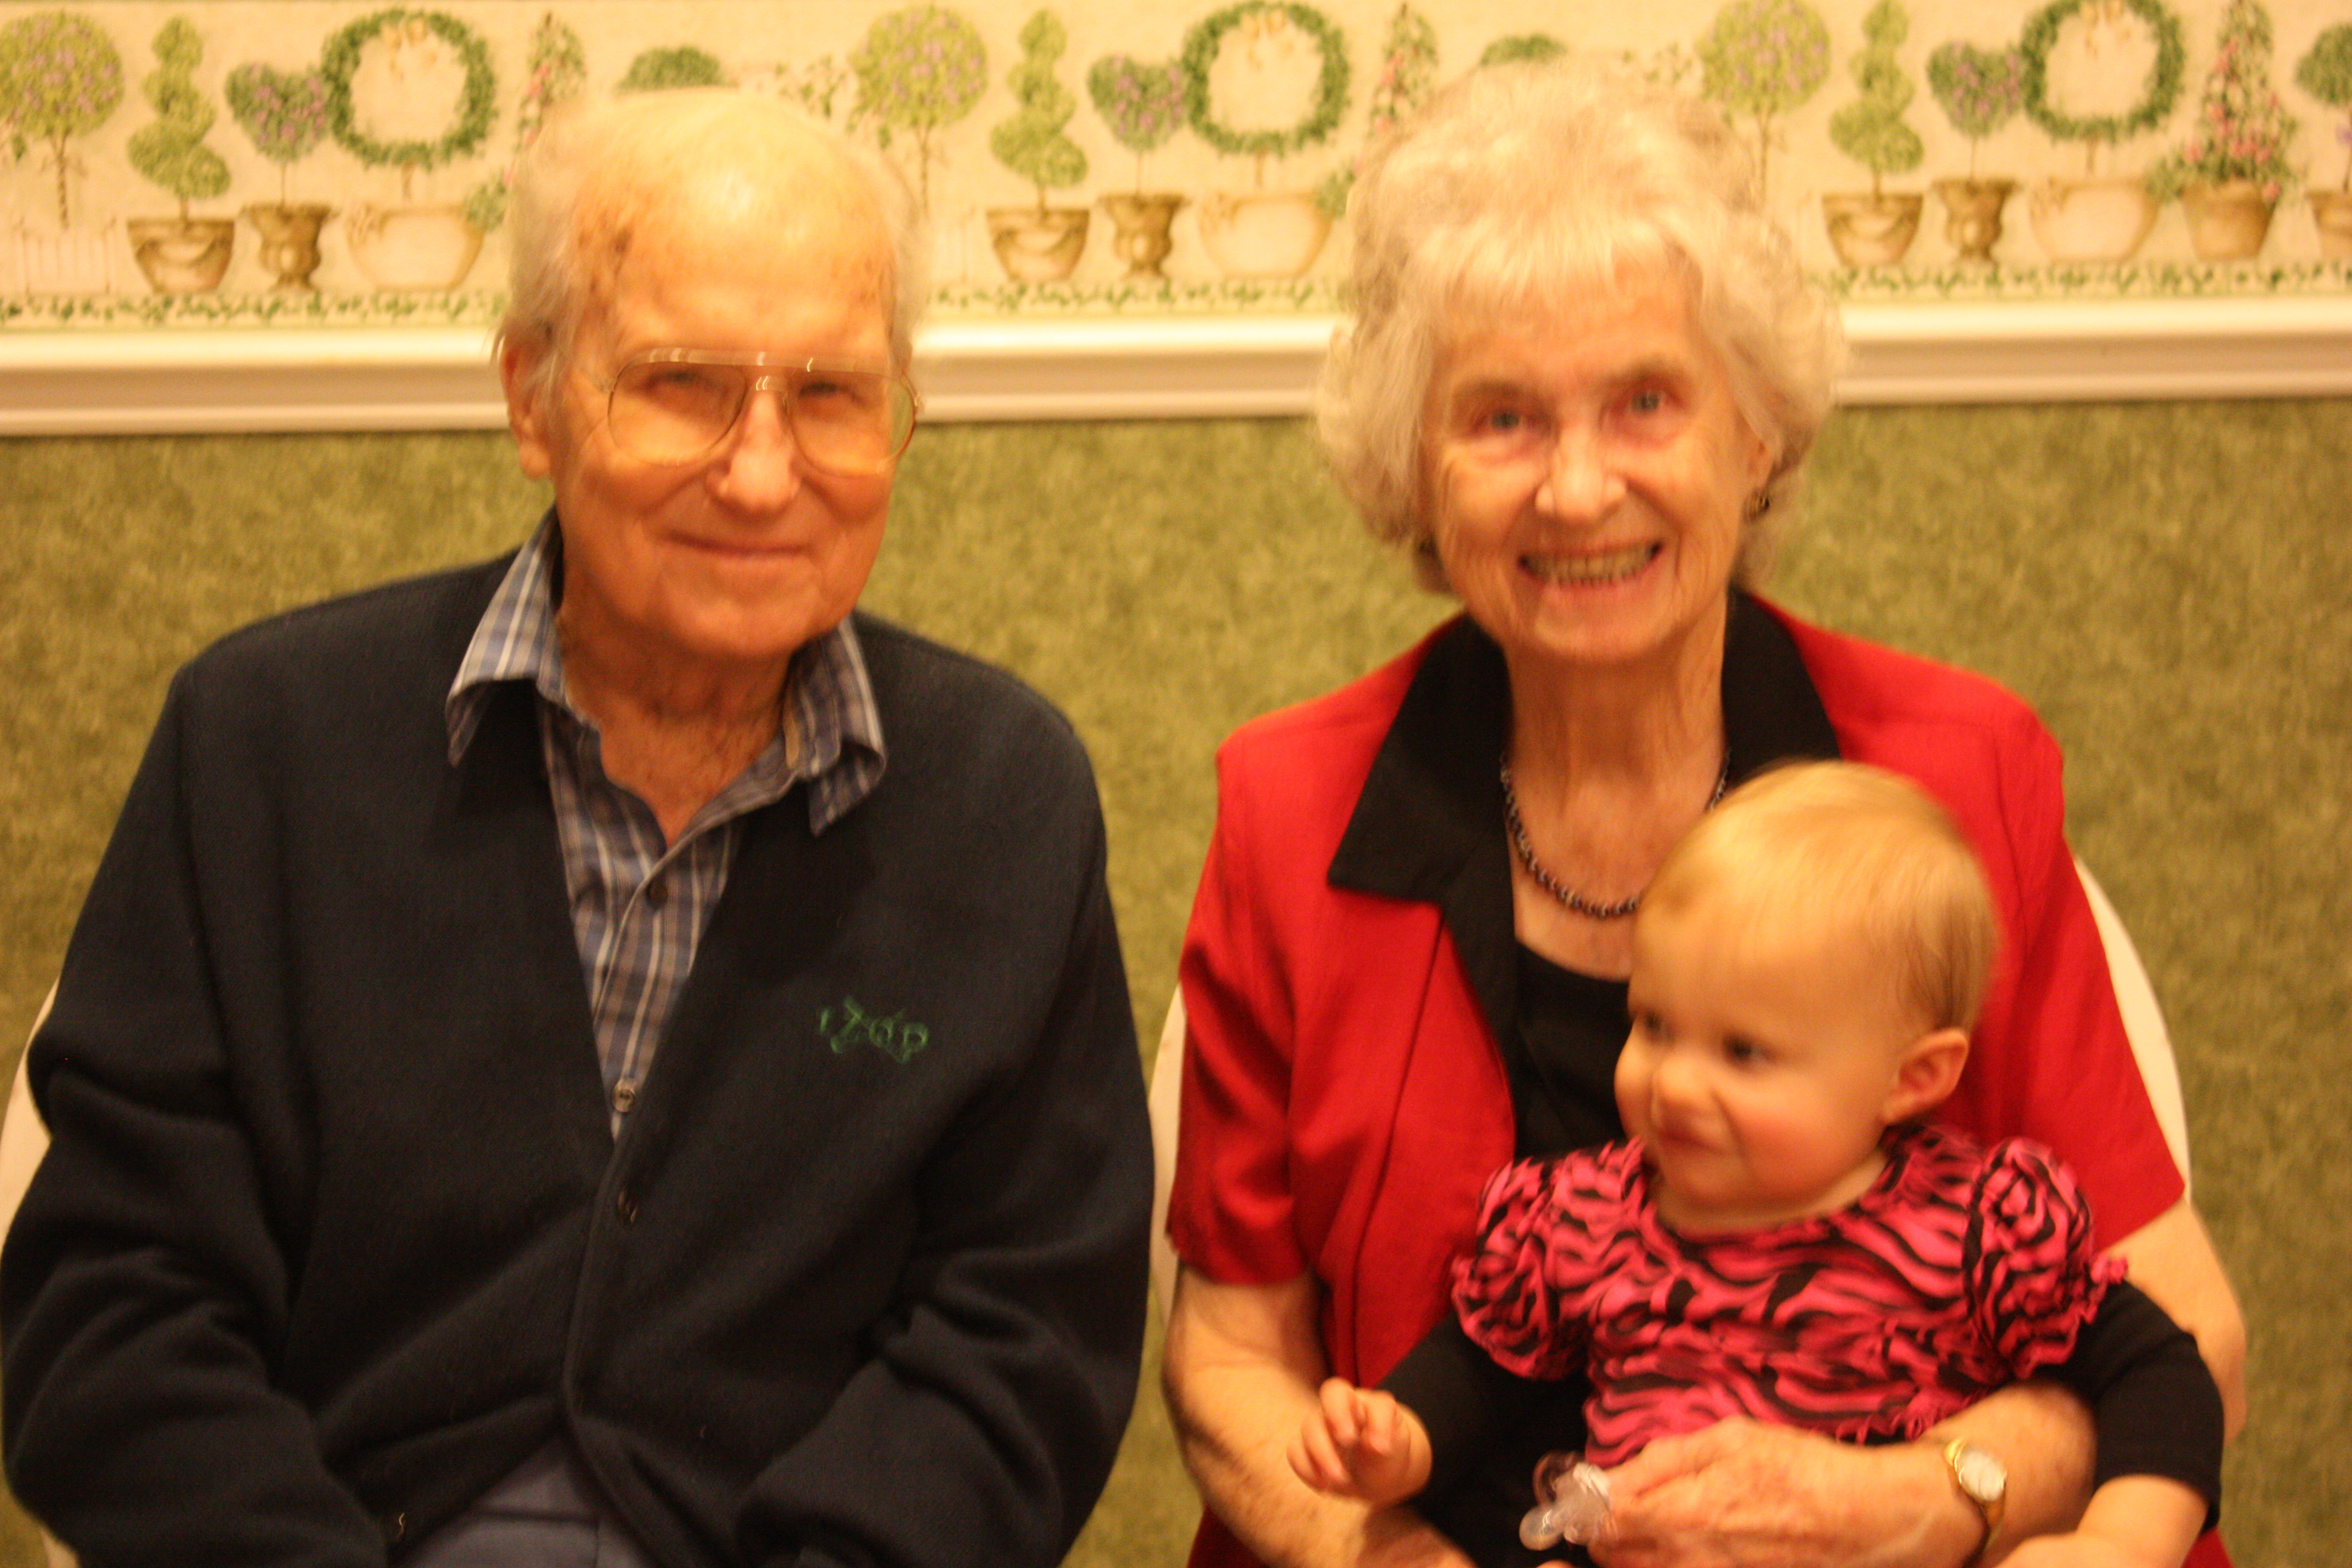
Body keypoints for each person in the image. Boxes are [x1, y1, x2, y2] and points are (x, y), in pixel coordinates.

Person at [2, 90, 1151, 1568]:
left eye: (831, 395)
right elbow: (113, 1307)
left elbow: (1023, 1342)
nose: (761, 471)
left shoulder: (1005, 801)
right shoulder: (263, 747)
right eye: (678, 384)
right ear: (533, 399)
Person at [1160, 59, 2246, 1568]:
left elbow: (2179, 1328)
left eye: (1646, 402)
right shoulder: (1293, 811)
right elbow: (1229, 1358)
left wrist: (1923, 1498)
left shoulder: (1955, 773)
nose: (1578, 488)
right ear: (1419, 467)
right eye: (1502, 418)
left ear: (1756, 433)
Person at [1291, 763, 2222, 1568]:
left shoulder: (1975, 1231)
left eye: (1743, 1052)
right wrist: (1401, 1438)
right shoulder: (1588, 1218)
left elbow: (2161, 1372)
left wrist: (2124, 1540)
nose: (1674, 1084)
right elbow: (1485, 1367)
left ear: (1912, 1078)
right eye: (1654, 1025)